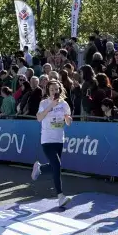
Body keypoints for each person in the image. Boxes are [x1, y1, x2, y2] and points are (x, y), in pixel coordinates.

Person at [30, 79, 73, 208]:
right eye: (52, 89)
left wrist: (67, 118)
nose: (55, 91)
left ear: (60, 90)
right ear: (48, 90)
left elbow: (69, 123)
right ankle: (60, 196)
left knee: (54, 166)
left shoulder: (64, 104)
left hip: (59, 139)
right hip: (47, 139)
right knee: (57, 165)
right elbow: (39, 118)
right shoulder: (44, 103)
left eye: (57, 89)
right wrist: (50, 106)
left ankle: (39, 168)